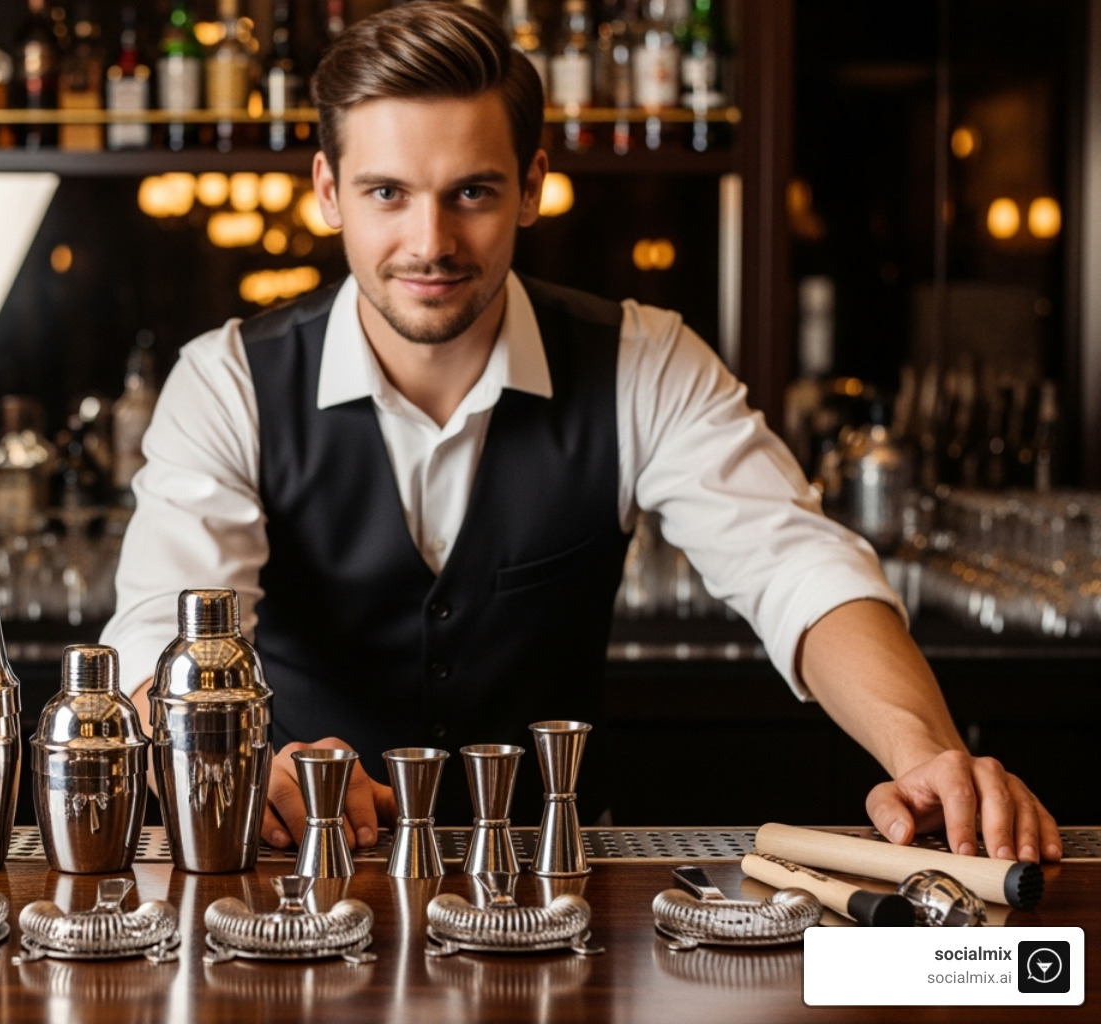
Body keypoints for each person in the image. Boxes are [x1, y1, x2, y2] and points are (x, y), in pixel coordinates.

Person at [99, 1, 1059, 864]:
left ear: (532, 186)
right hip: (295, 878)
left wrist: (927, 753)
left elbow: (798, 567)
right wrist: (231, 757)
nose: (430, 242)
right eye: (388, 192)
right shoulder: (229, 379)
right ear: (327, 191)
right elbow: (157, 638)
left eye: (471, 191)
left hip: (556, 885)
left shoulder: (641, 359)